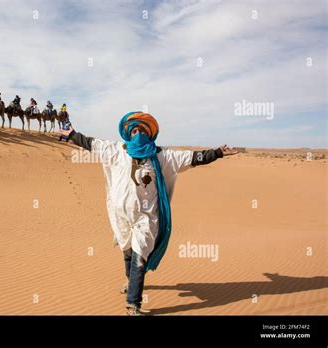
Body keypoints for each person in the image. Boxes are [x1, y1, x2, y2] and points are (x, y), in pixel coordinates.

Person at [60, 112, 238, 315]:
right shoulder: (116, 150)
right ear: (128, 132)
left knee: (140, 254)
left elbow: (192, 157)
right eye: (135, 130)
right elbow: (91, 143)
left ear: (150, 133)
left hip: (145, 218)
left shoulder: (162, 156)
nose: (138, 134)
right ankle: (130, 280)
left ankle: (133, 303)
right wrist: (72, 134)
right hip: (120, 214)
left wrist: (218, 152)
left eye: (142, 130)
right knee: (127, 250)